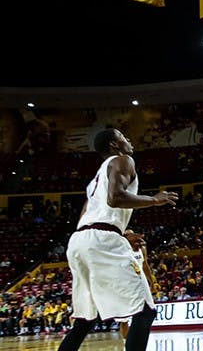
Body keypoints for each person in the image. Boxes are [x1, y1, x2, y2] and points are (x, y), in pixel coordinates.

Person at [58, 128, 178, 351]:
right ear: (114, 144)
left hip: (79, 241)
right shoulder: (123, 160)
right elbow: (115, 198)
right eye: (124, 137)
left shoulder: (95, 181)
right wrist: (154, 199)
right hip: (102, 239)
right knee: (145, 311)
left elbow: (88, 216)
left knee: (86, 320)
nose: (129, 140)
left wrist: (119, 235)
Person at [116, 229, 157, 342]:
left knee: (147, 313)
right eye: (127, 235)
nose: (131, 236)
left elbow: (145, 265)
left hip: (141, 283)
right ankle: (126, 342)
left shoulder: (142, 249)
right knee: (124, 319)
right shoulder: (121, 251)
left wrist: (152, 282)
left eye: (131, 234)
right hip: (125, 284)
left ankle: (136, 341)